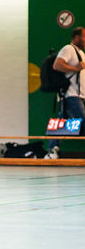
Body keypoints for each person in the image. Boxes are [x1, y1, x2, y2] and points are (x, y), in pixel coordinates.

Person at [49, 26, 85, 158]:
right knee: (82, 121)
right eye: (84, 36)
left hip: (78, 95)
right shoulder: (68, 49)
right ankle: (52, 148)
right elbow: (57, 65)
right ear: (76, 37)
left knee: (64, 122)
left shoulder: (81, 53)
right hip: (71, 95)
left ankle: (52, 148)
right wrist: (75, 68)